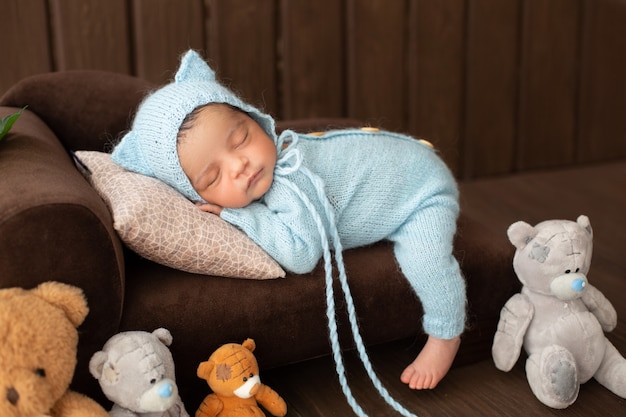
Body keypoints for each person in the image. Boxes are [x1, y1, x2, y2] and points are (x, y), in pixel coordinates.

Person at [112, 50, 466, 414]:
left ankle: (445, 333)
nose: (240, 165)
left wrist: (238, 217)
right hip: (403, 174)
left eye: (241, 139)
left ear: (257, 120)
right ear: (194, 194)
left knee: (425, 258)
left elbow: (300, 252)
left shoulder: (290, 180)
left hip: (421, 191)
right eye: (214, 176)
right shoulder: (257, 178)